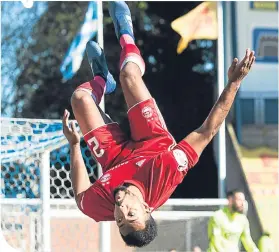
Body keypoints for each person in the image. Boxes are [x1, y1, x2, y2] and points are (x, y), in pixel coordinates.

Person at [62, 1, 255, 248]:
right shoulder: (167, 172)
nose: (122, 213)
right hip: (152, 141)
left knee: (79, 99)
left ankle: (101, 80)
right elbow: (207, 131)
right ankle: (126, 33)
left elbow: (80, 195)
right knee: (129, 76)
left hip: (115, 158)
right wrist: (234, 83)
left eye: (120, 221)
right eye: (131, 215)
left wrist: (75, 145)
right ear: (145, 207)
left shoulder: (98, 206)